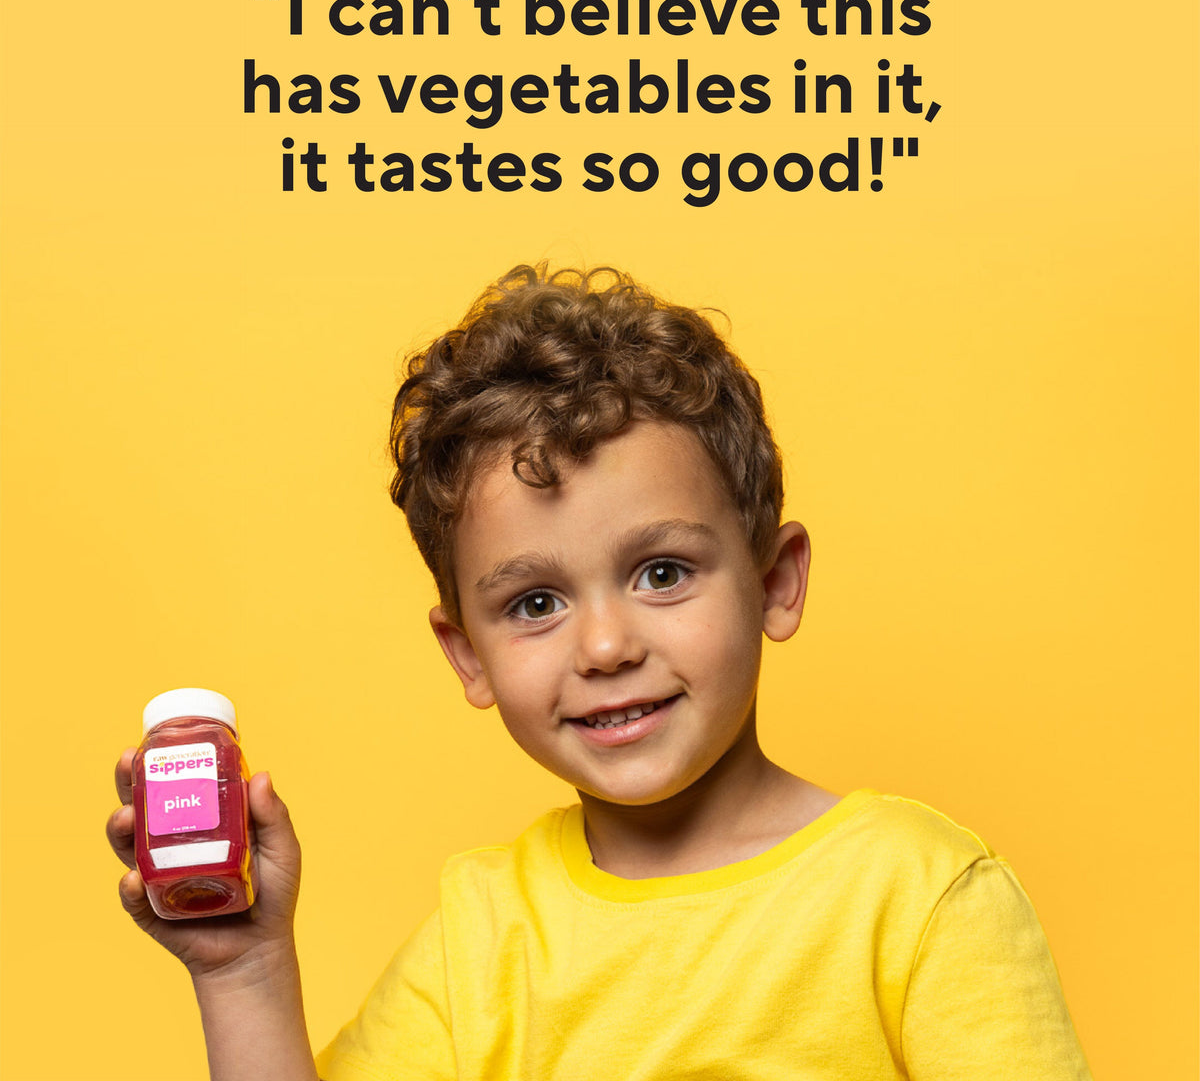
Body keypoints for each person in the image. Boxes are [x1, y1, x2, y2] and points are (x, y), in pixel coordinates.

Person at [107, 264, 1092, 1080]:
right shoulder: (479, 939)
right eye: (535, 603)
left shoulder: (917, 895)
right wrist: (242, 972)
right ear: (470, 657)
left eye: (661, 573)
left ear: (775, 582)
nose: (607, 647)